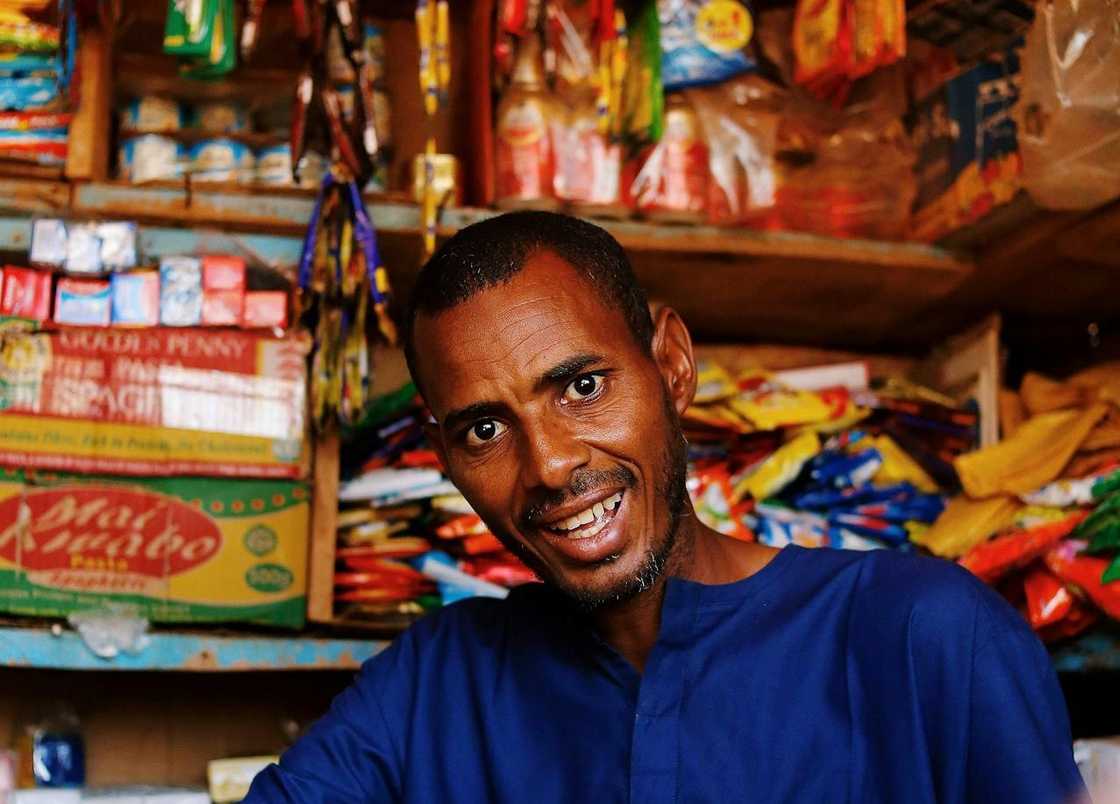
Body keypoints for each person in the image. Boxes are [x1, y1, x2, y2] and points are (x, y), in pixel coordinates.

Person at [245, 212, 1085, 803]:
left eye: (581, 386)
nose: (550, 465)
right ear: (448, 461)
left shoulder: (922, 637)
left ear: (671, 366)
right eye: (486, 428)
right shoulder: (435, 686)